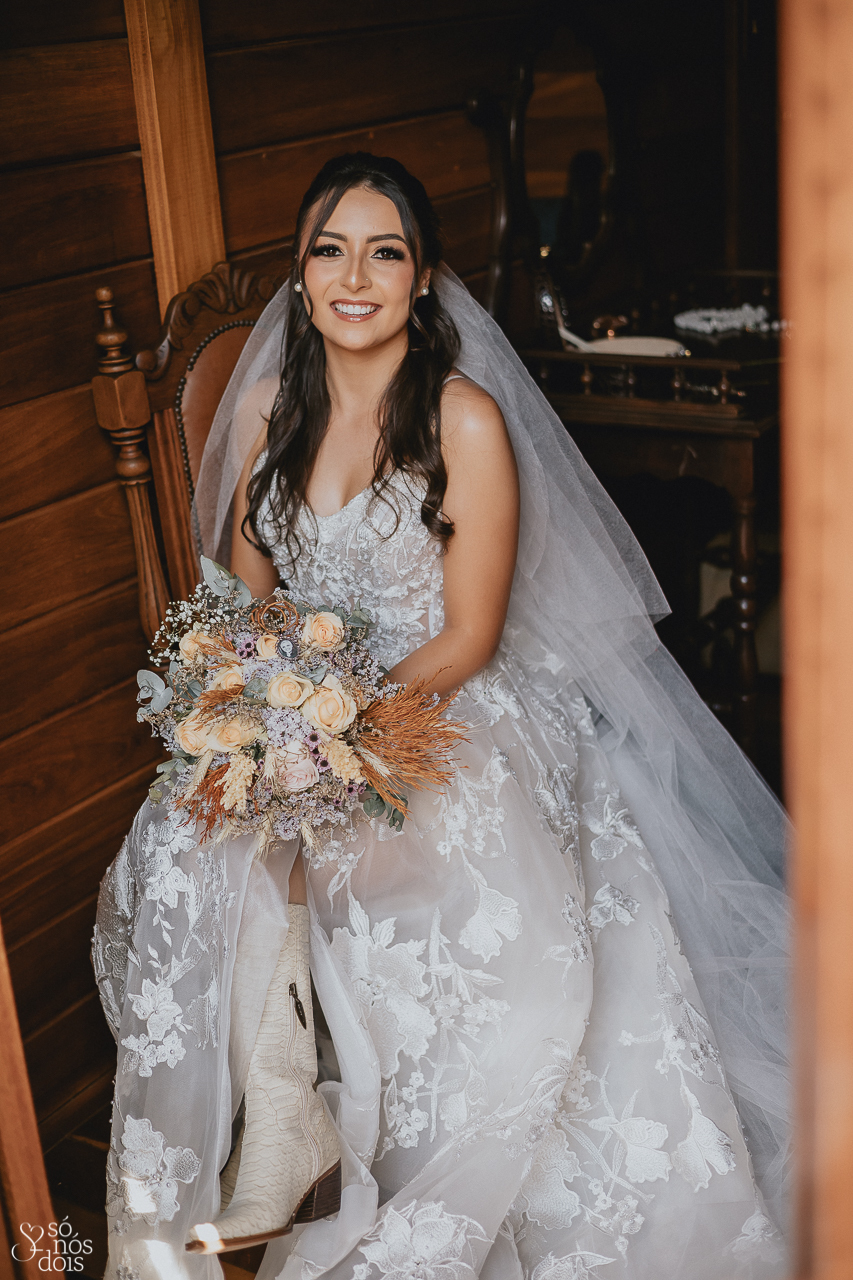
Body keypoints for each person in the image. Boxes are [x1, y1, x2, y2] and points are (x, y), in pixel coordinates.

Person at [92, 154, 790, 1280]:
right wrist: (257, 711)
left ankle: (371, 1122)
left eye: (385, 253)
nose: (353, 278)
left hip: (444, 696)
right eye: (330, 251)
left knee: (439, 861)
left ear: (421, 280)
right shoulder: (269, 409)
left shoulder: (463, 421)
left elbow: (469, 633)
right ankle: (279, 1113)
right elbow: (241, 601)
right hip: (306, 702)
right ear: (301, 273)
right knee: (189, 833)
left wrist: (338, 732)